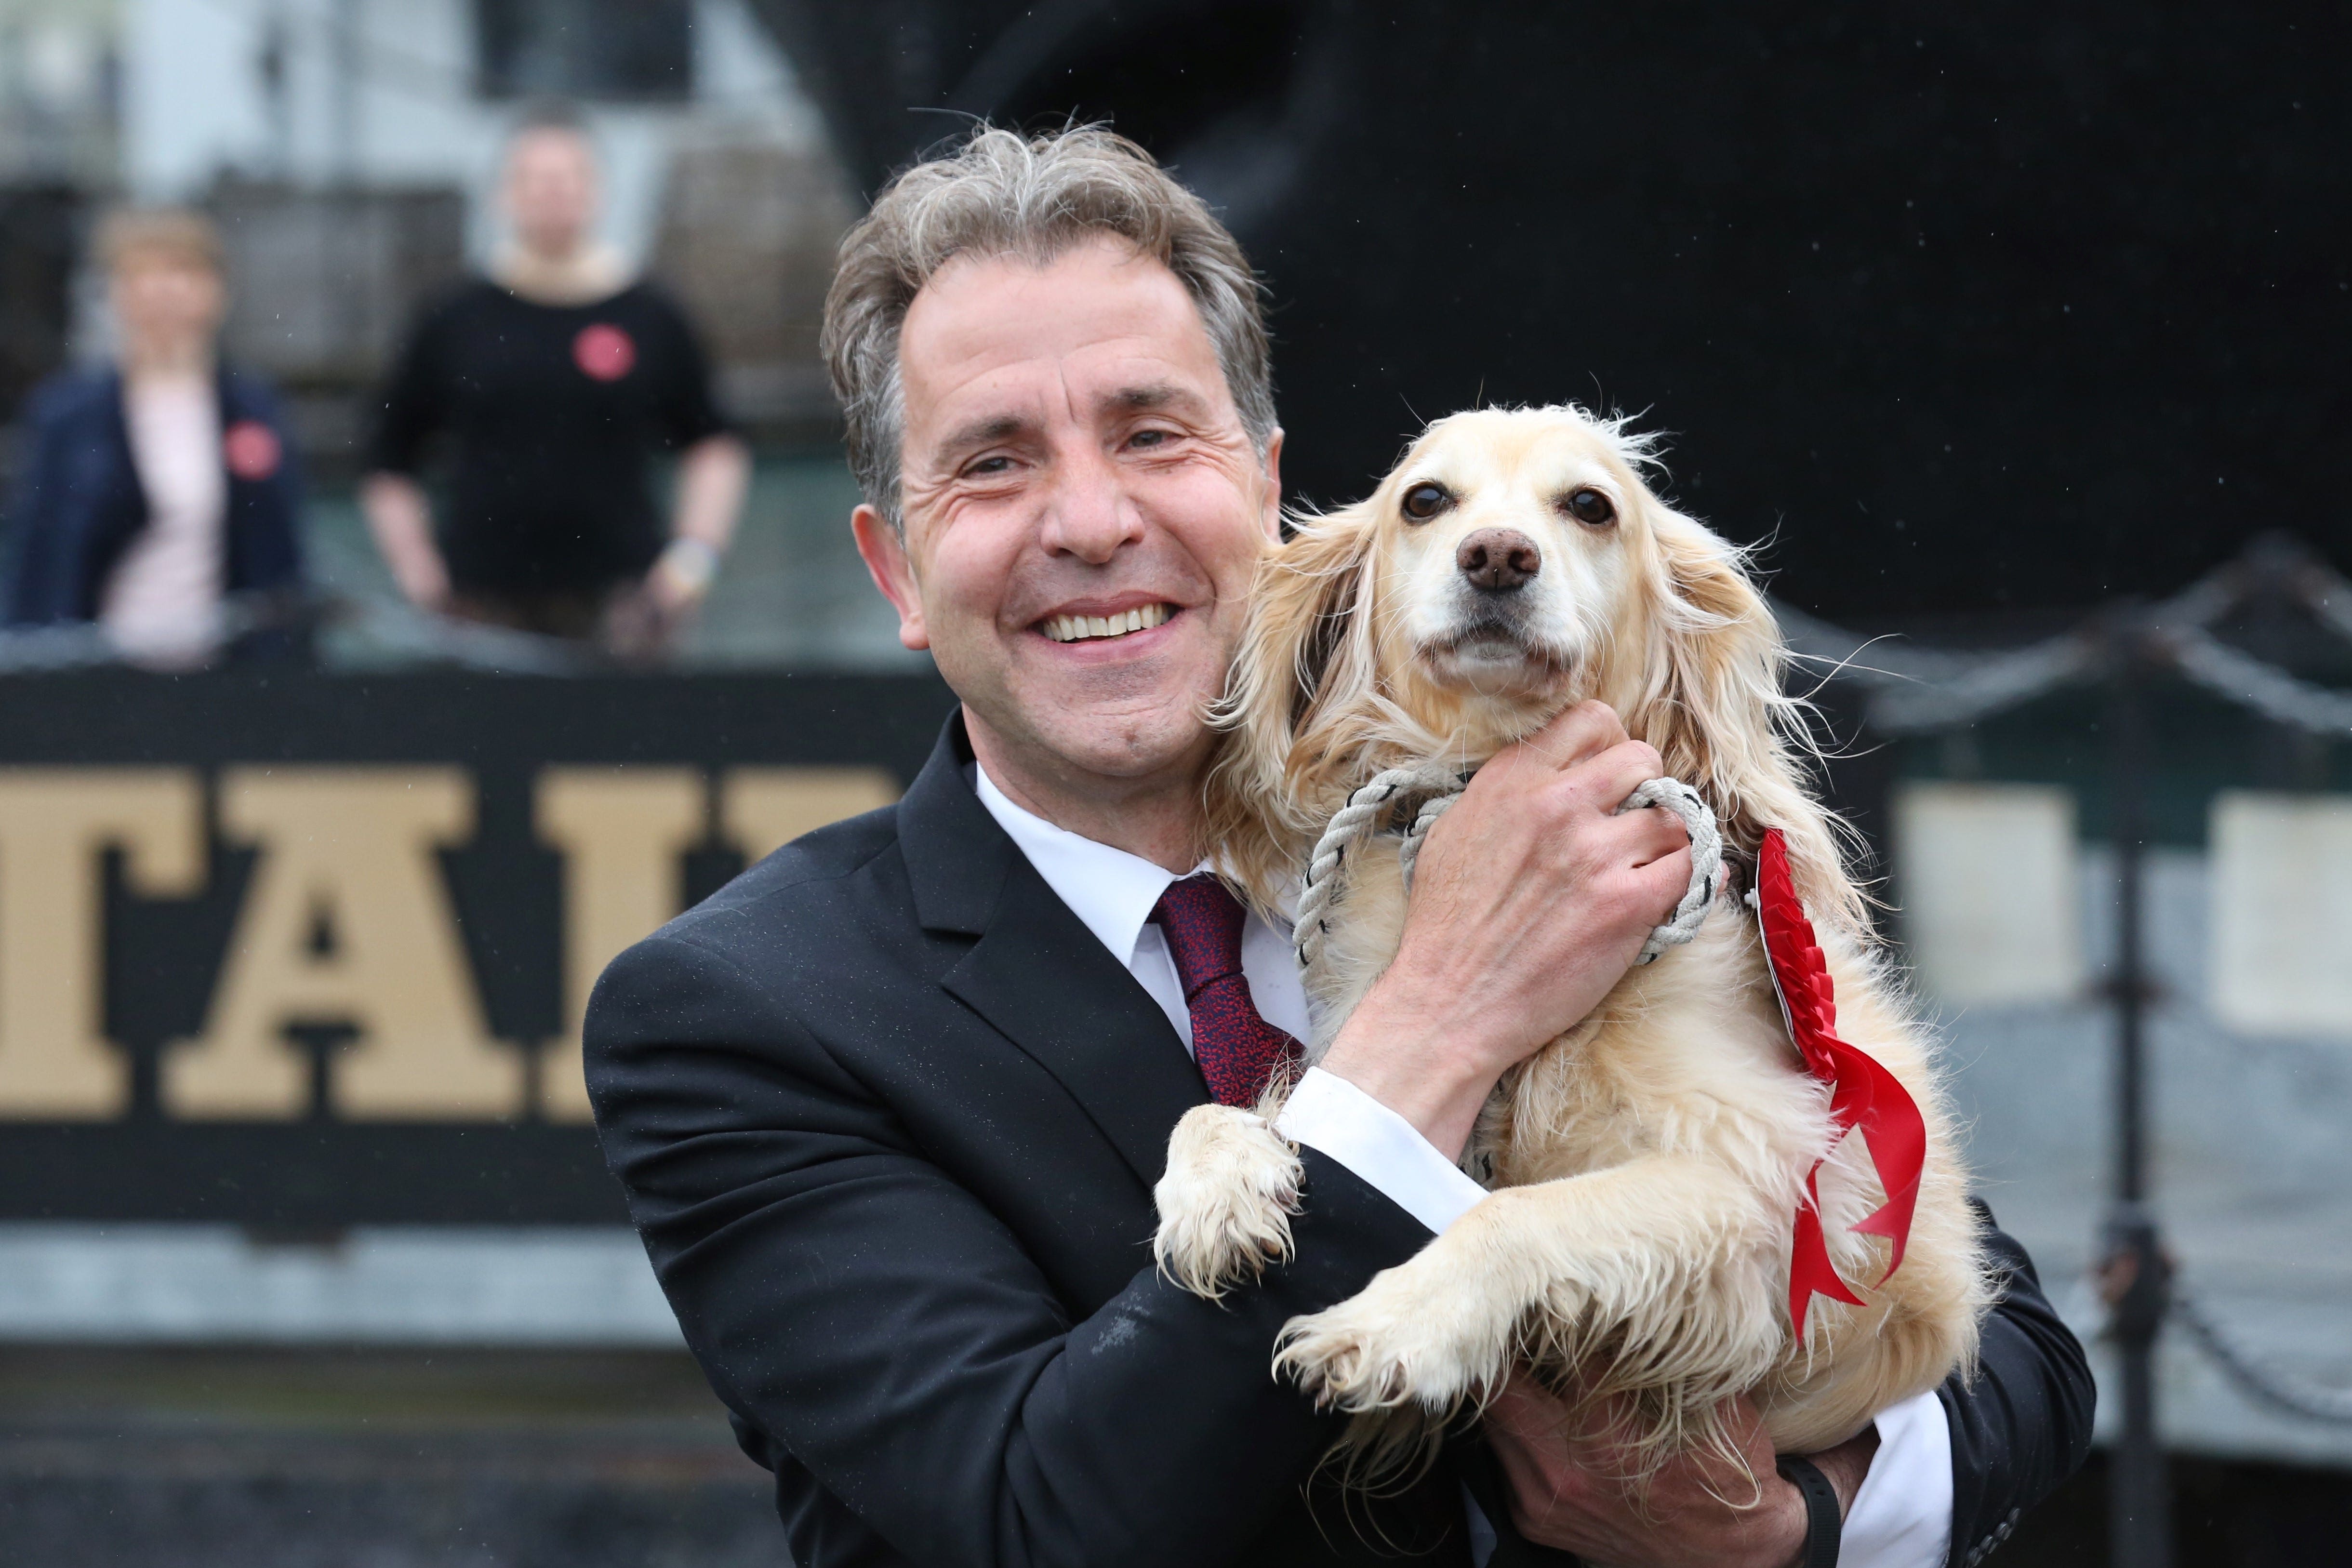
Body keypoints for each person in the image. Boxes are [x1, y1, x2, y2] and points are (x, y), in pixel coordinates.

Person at [586, 127, 2092, 1568]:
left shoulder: (1605, 850)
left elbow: (2015, 1351)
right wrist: (1441, 1010)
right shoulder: (743, 1017)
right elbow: (1034, 1518)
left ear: (1263, 484)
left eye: (1150, 433)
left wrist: (1787, 1529)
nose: (1092, 519)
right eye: (992, 463)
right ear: (896, 569)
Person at [362, 106, 749, 660]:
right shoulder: (454, 317)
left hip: (625, 610)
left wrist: (691, 568)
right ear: (503, 193)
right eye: (535, 179)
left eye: (570, 177)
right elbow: (387, 460)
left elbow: (716, 447)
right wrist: (419, 575)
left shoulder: (650, 313)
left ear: (598, 190)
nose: (553, 194)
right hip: (478, 611)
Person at [2, 207, 304, 666]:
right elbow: (40, 556)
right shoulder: (67, 414)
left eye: (181, 272)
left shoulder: (253, 407)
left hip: (225, 680)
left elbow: (279, 556)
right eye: (140, 275)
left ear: (218, 289)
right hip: (98, 678)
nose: (162, 291)